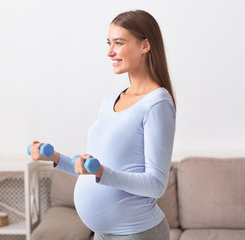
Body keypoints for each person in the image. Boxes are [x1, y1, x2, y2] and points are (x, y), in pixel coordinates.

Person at [29, 9, 176, 240]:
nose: (110, 52)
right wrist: (56, 158)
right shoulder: (110, 100)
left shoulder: (157, 103)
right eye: (109, 43)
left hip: (137, 233)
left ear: (145, 45)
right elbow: (94, 170)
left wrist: (100, 172)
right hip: (103, 234)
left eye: (118, 43)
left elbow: (156, 184)